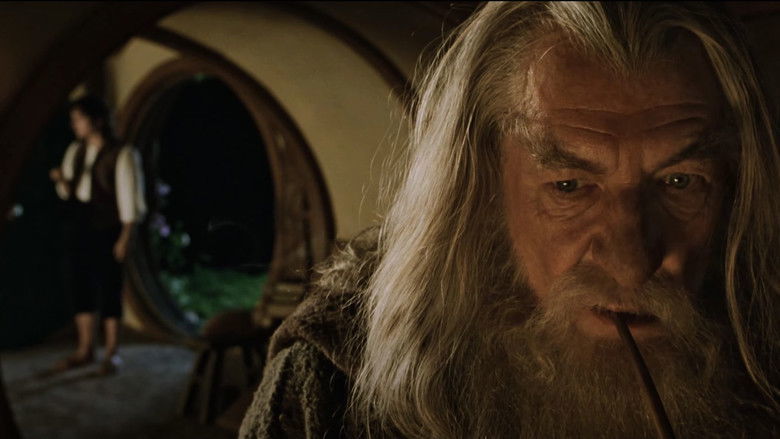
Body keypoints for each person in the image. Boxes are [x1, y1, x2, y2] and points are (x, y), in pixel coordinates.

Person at [240, 2, 780, 437]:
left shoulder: (764, 362)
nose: (631, 263)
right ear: (480, 194)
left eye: (680, 182)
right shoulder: (331, 389)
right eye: (569, 186)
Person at [49, 95, 146, 376]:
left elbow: (130, 199)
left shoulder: (122, 154)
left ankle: (112, 352)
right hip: (79, 226)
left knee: (109, 285)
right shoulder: (75, 150)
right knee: (79, 284)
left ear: (97, 120)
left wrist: (125, 236)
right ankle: (85, 348)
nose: (75, 124)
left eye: (79, 118)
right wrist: (61, 181)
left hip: (108, 226)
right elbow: (69, 192)